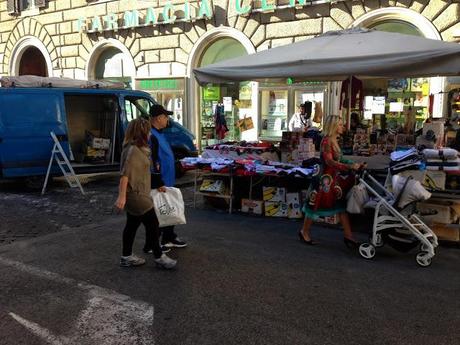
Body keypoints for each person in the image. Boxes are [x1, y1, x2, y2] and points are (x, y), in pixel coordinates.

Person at [115, 117, 177, 269]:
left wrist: (157, 185)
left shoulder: (138, 148)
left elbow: (144, 173)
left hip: (139, 193)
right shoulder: (133, 150)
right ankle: (158, 256)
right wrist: (121, 197)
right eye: (148, 131)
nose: (150, 134)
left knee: (132, 225)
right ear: (142, 133)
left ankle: (126, 256)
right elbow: (124, 175)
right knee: (153, 224)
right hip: (136, 195)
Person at [299, 115, 363, 248]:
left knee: (340, 206)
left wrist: (352, 163)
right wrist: (349, 166)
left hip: (332, 179)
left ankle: (348, 236)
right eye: (340, 124)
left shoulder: (333, 140)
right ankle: (304, 231)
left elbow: (339, 159)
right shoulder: (327, 141)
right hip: (324, 179)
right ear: (333, 126)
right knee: (314, 206)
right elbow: (329, 161)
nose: (342, 127)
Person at [143, 104, 187, 255]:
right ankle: (151, 244)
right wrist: (157, 182)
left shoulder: (159, 133)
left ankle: (168, 237)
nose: (167, 119)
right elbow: (151, 161)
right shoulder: (151, 135)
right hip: (159, 181)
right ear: (159, 118)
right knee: (157, 213)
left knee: (168, 209)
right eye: (166, 116)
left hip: (167, 179)